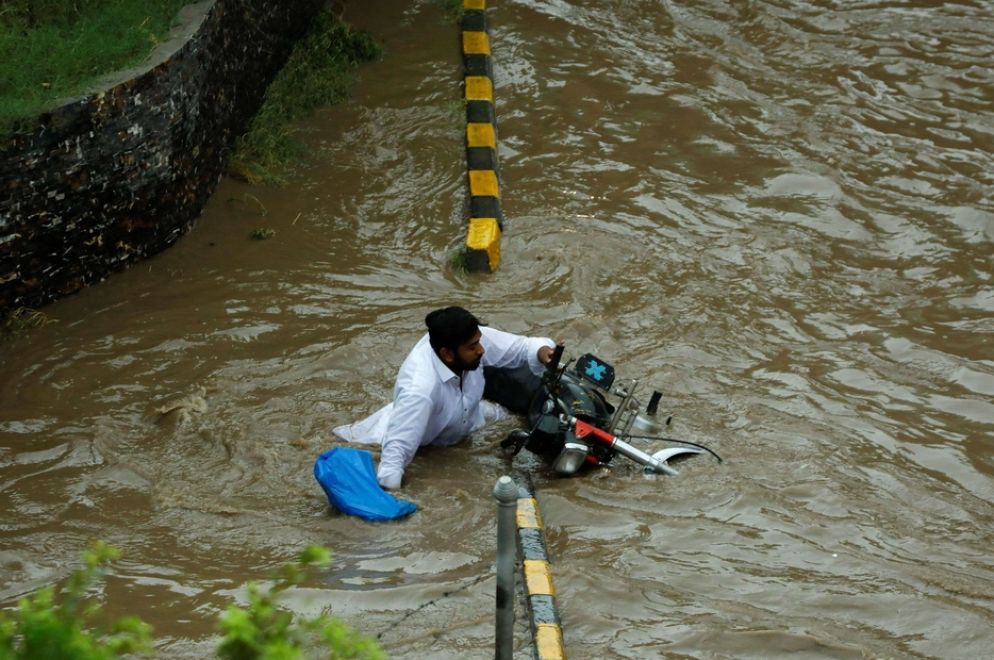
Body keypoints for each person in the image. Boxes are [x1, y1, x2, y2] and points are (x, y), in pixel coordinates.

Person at [333, 306, 555, 490]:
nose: (481, 350)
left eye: (479, 342)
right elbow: (393, 460)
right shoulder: (420, 390)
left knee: (515, 418)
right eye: (473, 347)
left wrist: (543, 352)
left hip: (469, 419)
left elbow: (521, 347)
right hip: (409, 440)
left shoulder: (468, 341)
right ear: (447, 354)